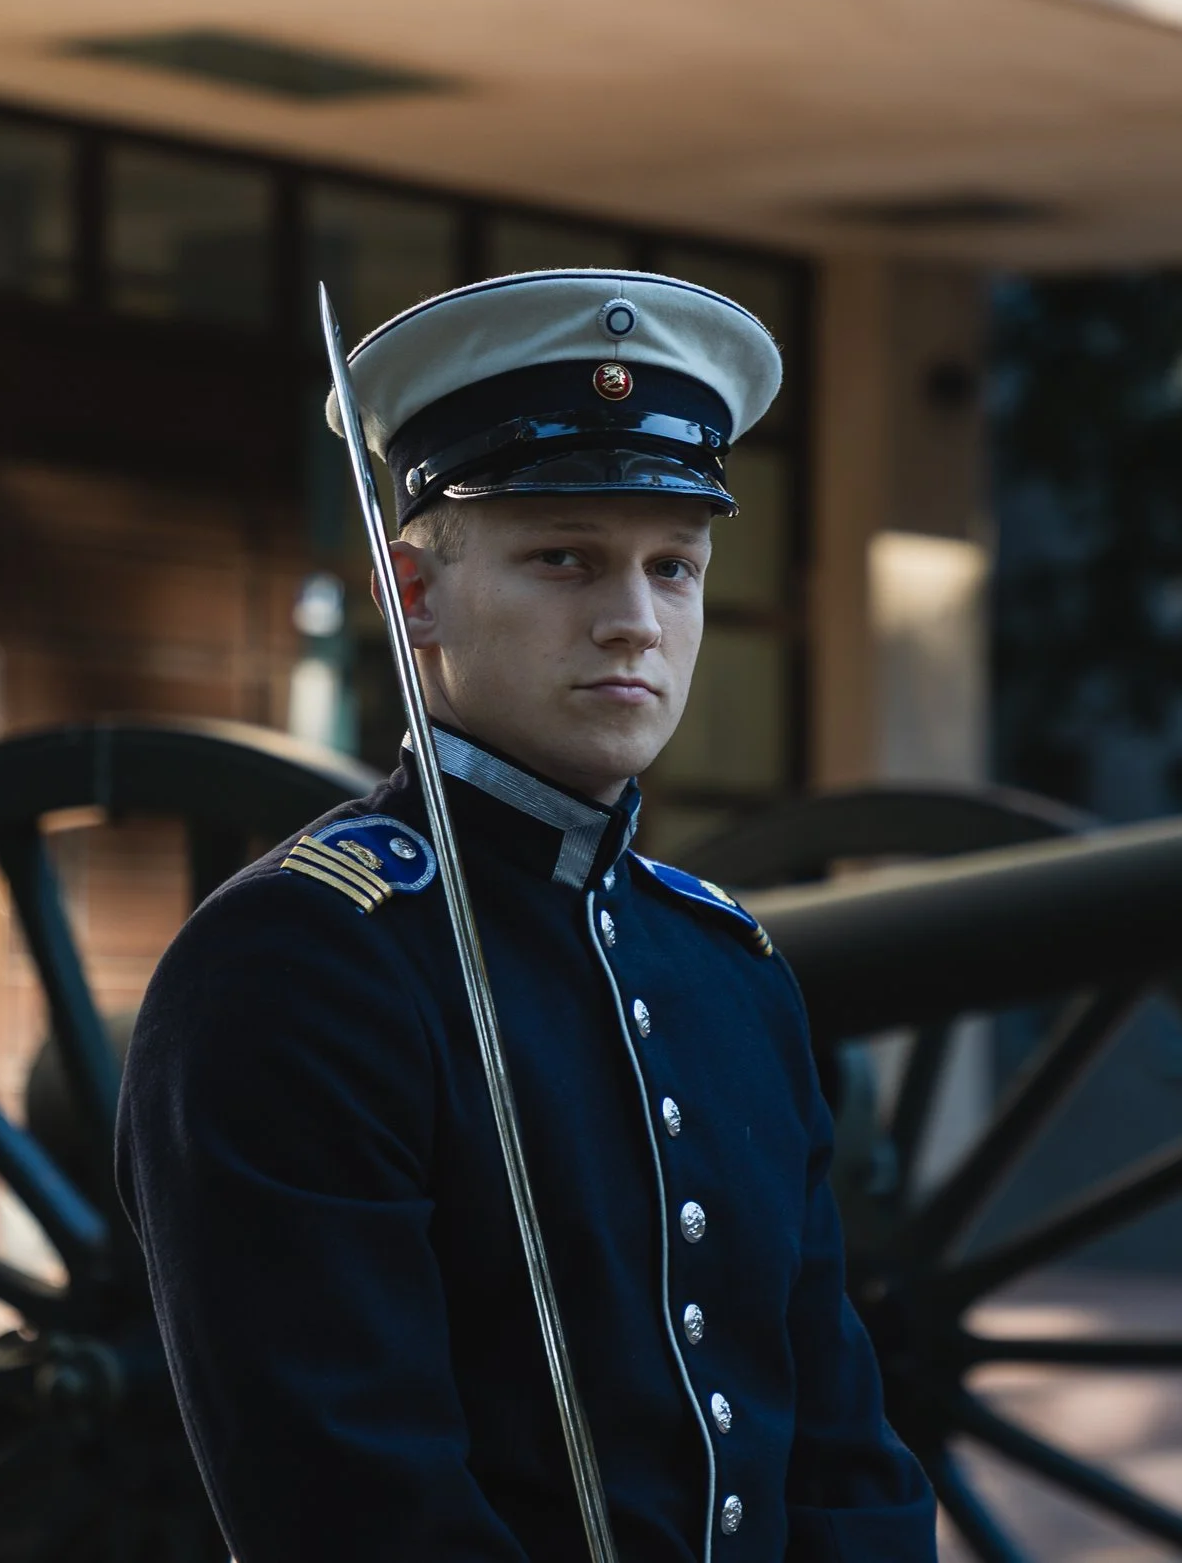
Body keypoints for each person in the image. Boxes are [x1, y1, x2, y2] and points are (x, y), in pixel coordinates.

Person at [114, 269, 937, 1562]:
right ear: (414, 594)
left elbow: (841, 1446)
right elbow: (353, 1506)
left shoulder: (732, 972)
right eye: (566, 558)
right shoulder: (296, 968)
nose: (634, 620)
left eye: (676, 565)